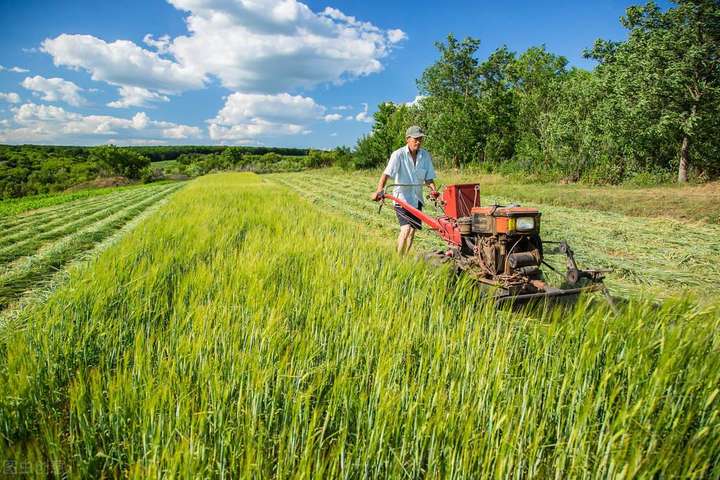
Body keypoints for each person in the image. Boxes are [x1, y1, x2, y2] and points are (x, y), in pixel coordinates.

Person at [371, 125, 438, 255]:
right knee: (406, 229)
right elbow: (386, 175)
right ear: (408, 139)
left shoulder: (425, 155)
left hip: (417, 198)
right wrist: (379, 191)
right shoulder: (398, 155)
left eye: (420, 139)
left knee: (412, 231)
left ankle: (405, 257)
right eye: (415, 139)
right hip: (401, 199)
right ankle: (398, 258)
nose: (418, 142)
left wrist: (434, 192)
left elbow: (429, 179)